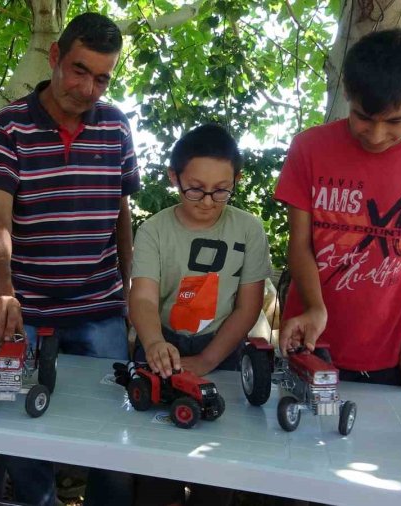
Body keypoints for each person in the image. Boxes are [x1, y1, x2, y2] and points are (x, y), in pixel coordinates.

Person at [0, 12, 139, 506]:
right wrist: (2, 292)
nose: (89, 88)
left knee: (115, 428)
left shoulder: (116, 127)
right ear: (55, 58)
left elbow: (121, 214)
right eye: (79, 70)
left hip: (100, 308)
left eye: (102, 77)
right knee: (21, 432)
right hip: (26, 311)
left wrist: (131, 292)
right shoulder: (7, 126)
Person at [274, 29, 401, 393]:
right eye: (363, 117)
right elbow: (299, 244)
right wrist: (316, 309)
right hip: (308, 342)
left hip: (387, 355)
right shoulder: (309, 147)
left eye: (396, 121)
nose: (376, 134)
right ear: (347, 92)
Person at [129, 124, 270, 506]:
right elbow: (142, 298)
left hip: (223, 350)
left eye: (222, 189)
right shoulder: (154, 230)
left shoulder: (248, 229)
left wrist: (209, 359)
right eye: (195, 188)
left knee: (217, 462)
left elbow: (248, 306)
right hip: (163, 346)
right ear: (174, 177)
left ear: (235, 181)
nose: (208, 201)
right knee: (156, 463)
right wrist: (154, 341)